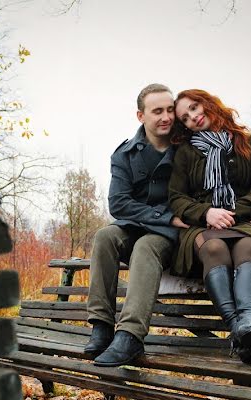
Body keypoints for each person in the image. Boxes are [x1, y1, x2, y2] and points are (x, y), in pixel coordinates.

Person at [167, 89, 251, 363]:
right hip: (201, 227)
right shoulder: (185, 152)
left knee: (250, 246)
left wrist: (230, 213)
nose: (193, 117)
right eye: (186, 117)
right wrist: (206, 213)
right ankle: (239, 327)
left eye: (194, 107)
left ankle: (248, 321)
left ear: (208, 103)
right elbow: (176, 197)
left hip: (241, 223)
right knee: (215, 248)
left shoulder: (249, 142)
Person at [84, 83, 180, 367]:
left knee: (145, 245)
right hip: (148, 225)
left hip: (174, 237)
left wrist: (169, 220)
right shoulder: (125, 155)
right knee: (105, 236)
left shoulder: (186, 149)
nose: (166, 117)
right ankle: (101, 326)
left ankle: (130, 336)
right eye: (157, 111)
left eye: (170, 110)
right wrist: (162, 215)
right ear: (141, 116)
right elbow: (118, 204)